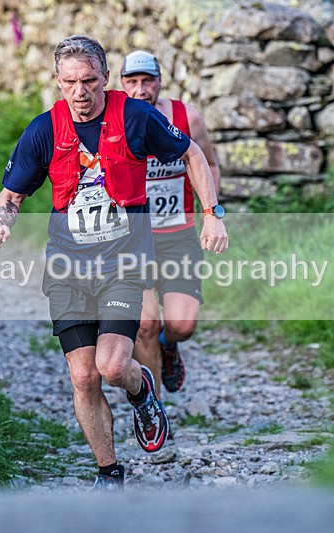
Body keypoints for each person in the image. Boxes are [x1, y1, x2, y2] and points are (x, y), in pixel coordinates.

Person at [0, 35, 227, 491]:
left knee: (114, 367)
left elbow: (193, 154)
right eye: (71, 82)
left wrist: (212, 215)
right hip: (67, 269)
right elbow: (12, 193)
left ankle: (142, 390)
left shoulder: (135, 117)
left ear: (105, 78)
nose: (81, 91)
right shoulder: (43, 129)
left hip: (122, 265)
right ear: (58, 82)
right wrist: (1, 222)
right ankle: (109, 472)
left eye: (91, 81)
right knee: (83, 375)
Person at [120, 50, 224, 395]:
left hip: (178, 234)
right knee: (145, 324)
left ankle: (169, 344)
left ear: (160, 81)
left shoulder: (185, 116)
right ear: (121, 84)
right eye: (132, 82)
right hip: (133, 240)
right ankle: (154, 407)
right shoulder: (114, 121)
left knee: (182, 324)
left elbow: (209, 164)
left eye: (147, 81)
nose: (140, 89)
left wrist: (211, 215)